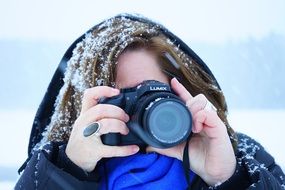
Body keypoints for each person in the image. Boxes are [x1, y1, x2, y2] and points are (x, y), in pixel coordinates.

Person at [15, 14, 284, 190]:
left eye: (154, 94)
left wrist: (228, 179)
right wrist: (68, 172)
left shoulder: (242, 158)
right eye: (122, 101)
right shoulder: (51, 168)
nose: (143, 112)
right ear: (81, 109)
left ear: (183, 91)